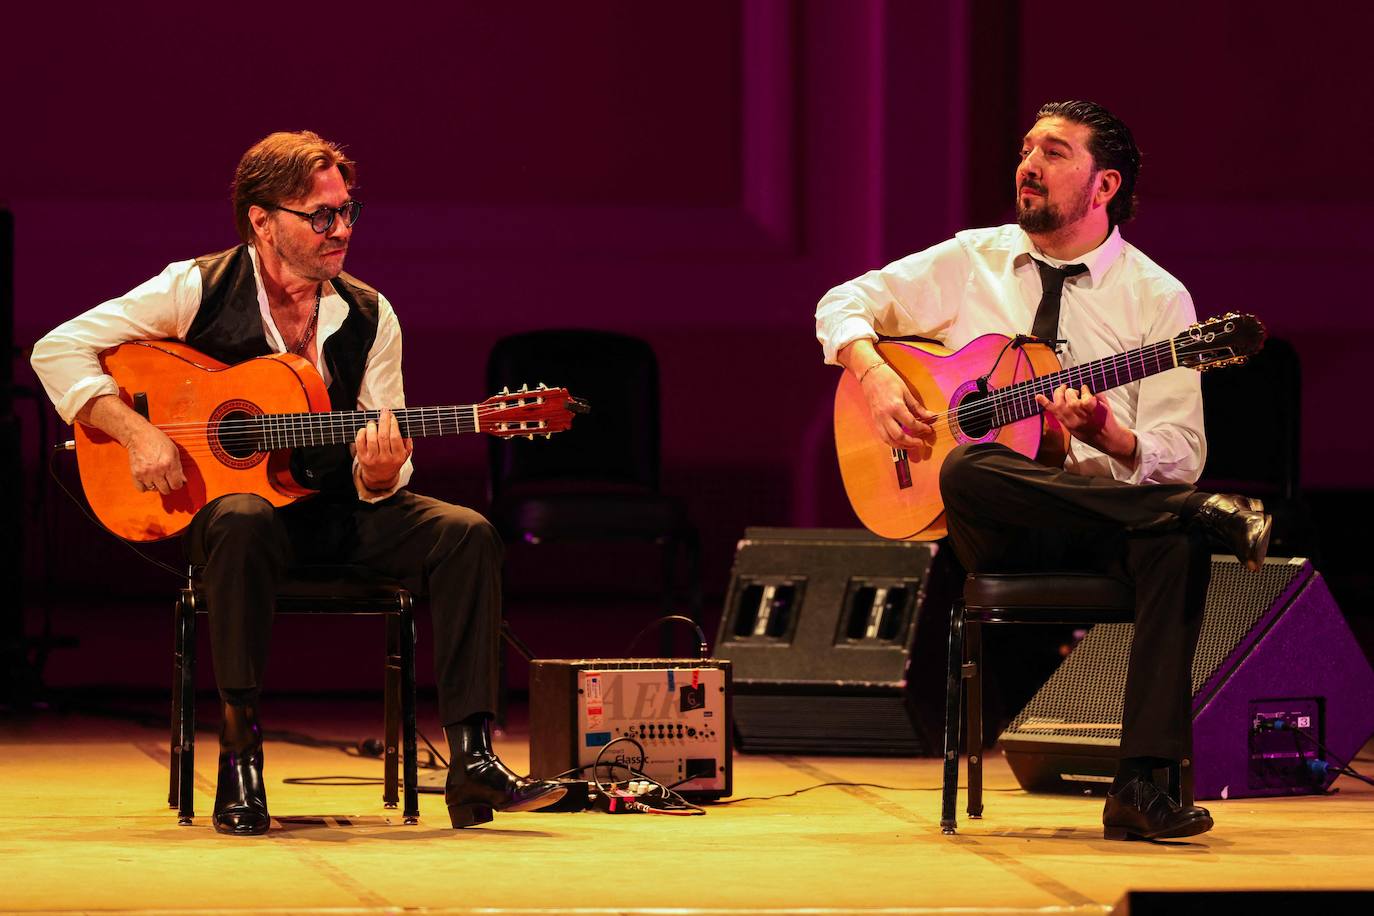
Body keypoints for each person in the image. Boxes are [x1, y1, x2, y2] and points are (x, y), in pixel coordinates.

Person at [31, 131, 565, 834]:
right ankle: (241, 757)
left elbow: (389, 454)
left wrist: (380, 471)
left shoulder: (371, 314)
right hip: (231, 528)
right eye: (320, 215)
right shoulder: (196, 288)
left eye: (347, 212)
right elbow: (58, 347)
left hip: (338, 515)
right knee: (246, 515)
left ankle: (473, 759)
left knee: (464, 534)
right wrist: (137, 432)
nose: (340, 229)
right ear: (261, 220)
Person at [815, 100, 1271, 841]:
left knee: (1174, 548)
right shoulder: (972, 259)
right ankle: (1197, 512)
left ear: (1104, 185)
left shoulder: (1159, 300)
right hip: (998, 524)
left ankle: (1141, 787)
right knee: (967, 466)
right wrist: (871, 370)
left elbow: (1180, 453)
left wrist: (1112, 436)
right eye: (1027, 147)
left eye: (1054, 152)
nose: (1028, 163)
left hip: (1100, 522)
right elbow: (844, 302)